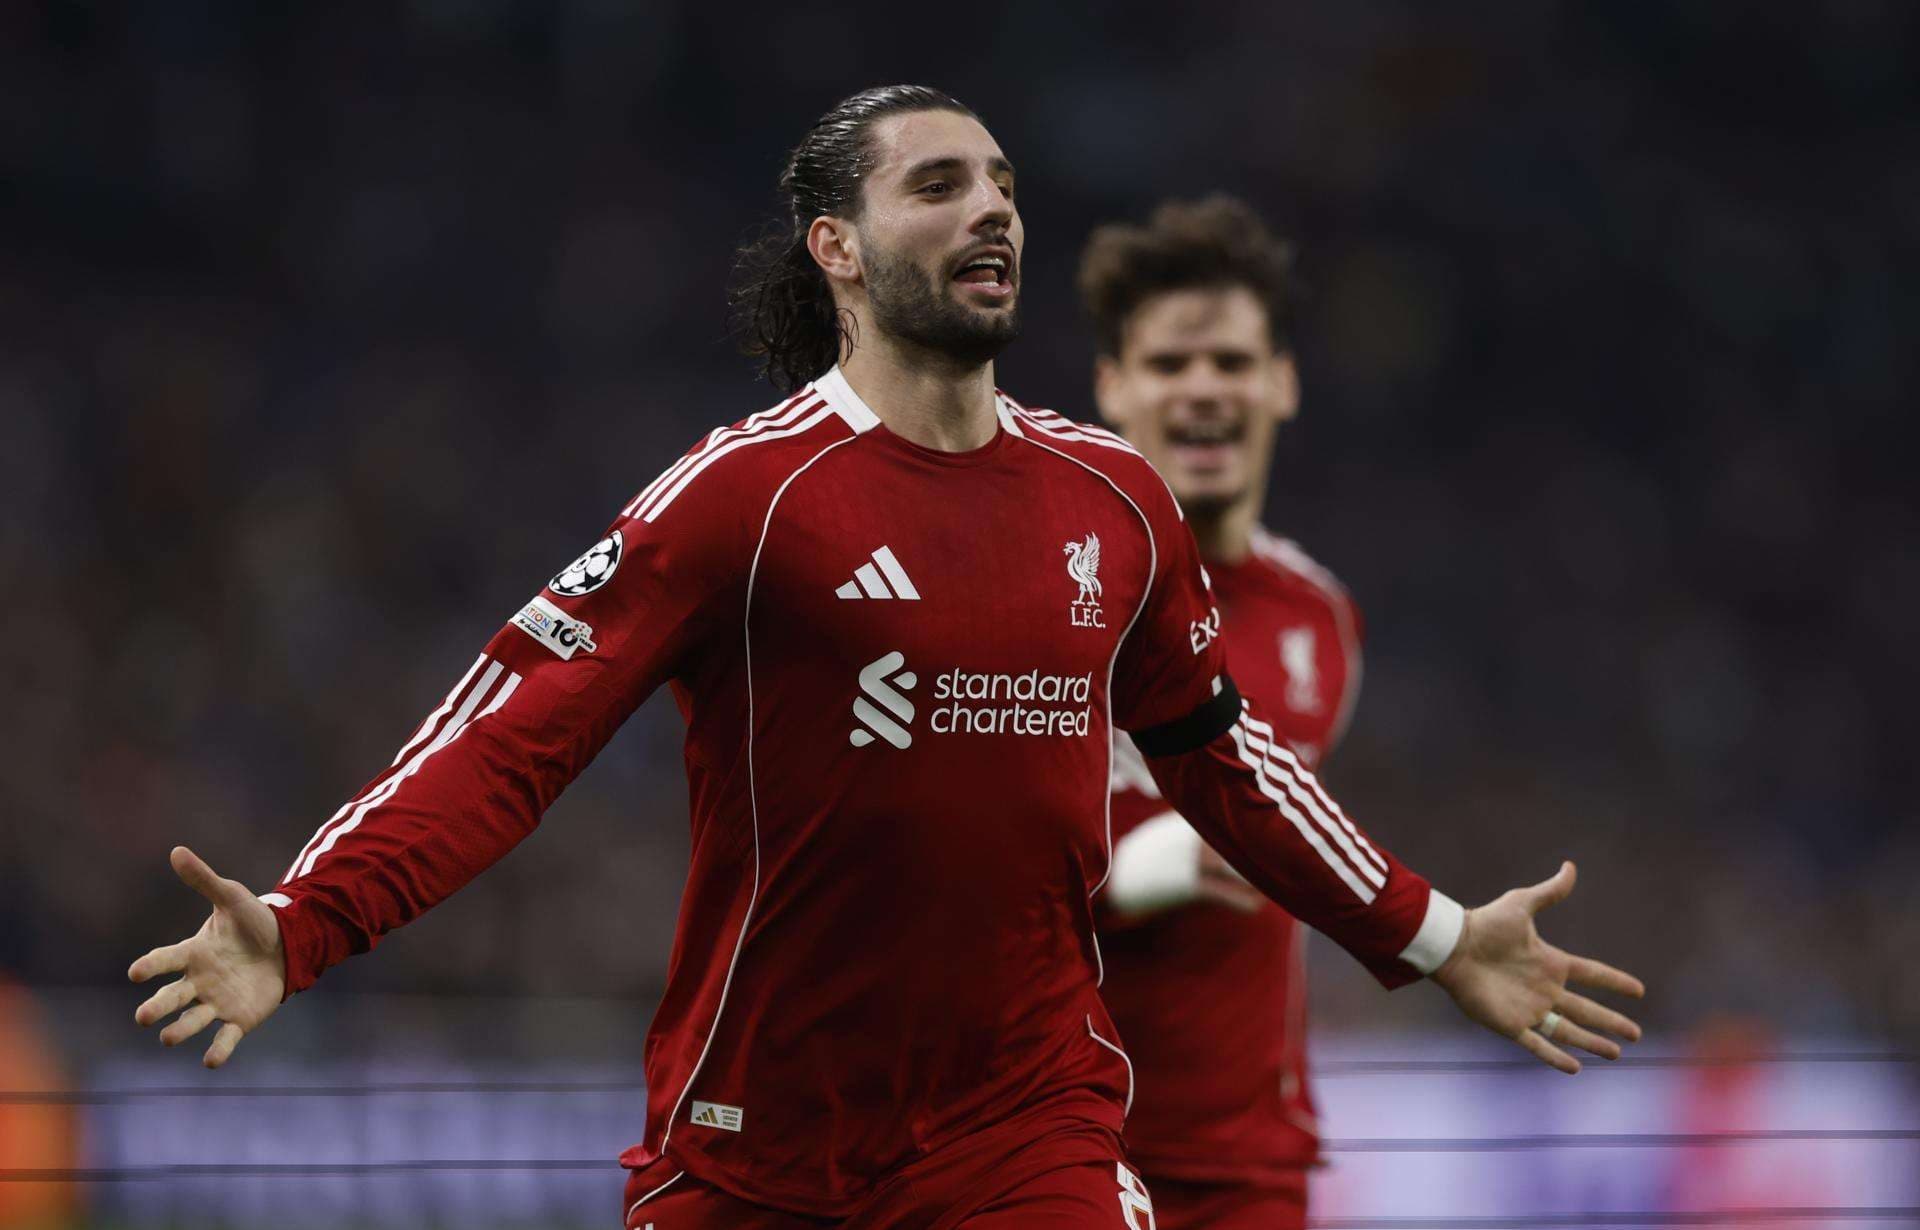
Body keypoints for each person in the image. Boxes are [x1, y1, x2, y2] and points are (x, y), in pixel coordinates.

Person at [129, 86, 1643, 1230]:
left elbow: (1224, 755)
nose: (994, 210)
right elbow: (515, 729)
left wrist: (1435, 933)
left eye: (1002, 183)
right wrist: (304, 918)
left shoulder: (1113, 499)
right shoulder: (743, 496)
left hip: (1025, 1126)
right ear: (838, 248)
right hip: (756, 1137)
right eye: (941, 185)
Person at [1079, 196, 1365, 1228]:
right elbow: (972, 862)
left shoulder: (1321, 618)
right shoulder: (1044, 599)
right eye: (1168, 364)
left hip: (1250, 1170)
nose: (1204, 387)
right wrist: (1163, 861)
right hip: (1052, 1149)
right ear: (1112, 388)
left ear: (1282, 383)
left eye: (1233, 362)